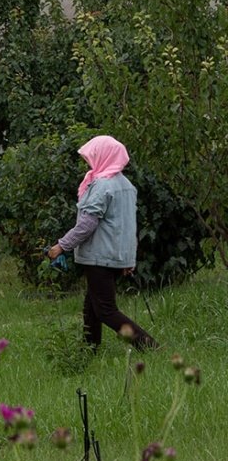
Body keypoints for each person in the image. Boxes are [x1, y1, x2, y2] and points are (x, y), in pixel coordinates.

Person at [45, 135, 157, 352]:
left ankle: (149, 346)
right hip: (115, 256)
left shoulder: (102, 186)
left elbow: (87, 224)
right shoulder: (126, 185)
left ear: (104, 157)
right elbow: (128, 225)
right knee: (92, 306)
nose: (88, 161)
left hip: (100, 257)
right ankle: (90, 350)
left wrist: (61, 246)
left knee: (106, 310)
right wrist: (128, 256)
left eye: (91, 157)